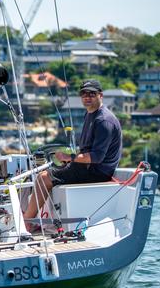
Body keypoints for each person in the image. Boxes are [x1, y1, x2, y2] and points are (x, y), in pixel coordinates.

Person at [23, 79, 122, 220]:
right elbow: (86, 150)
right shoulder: (90, 114)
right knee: (38, 174)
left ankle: (27, 222)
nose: (87, 97)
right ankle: (31, 217)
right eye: (83, 93)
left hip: (97, 172)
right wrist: (70, 160)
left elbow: (97, 157)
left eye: (92, 94)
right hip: (87, 167)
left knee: (44, 178)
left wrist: (69, 157)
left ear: (101, 95)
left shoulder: (103, 121)